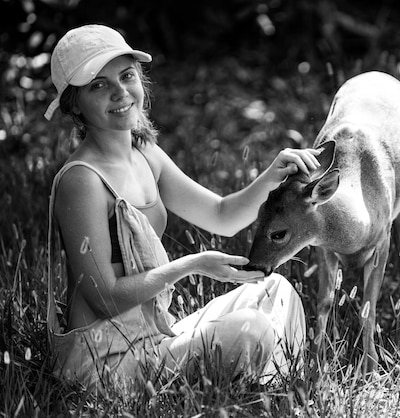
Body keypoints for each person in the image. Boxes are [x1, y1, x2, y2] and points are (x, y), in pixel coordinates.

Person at [44, 24, 319, 393]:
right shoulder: (83, 180)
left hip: (156, 338)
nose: (120, 92)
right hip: (106, 361)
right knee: (250, 330)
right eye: (98, 85)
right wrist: (193, 265)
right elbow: (105, 297)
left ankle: (269, 387)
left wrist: (272, 175)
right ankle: (261, 383)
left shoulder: (145, 154)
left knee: (276, 290)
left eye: (126, 76)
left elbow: (222, 215)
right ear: (74, 104)